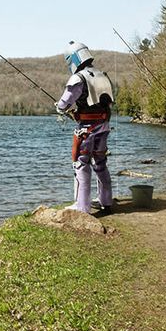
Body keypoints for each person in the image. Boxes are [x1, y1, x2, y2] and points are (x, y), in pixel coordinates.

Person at [55, 41, 115, 214]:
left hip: (86, 129)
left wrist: (60, 108)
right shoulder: (101, 74)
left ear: (73, 59)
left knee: (81, 164)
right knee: (100, 163)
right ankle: (106, 200)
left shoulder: (78, 77)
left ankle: (82, 206)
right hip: (104, 126)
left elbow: (65, 102)